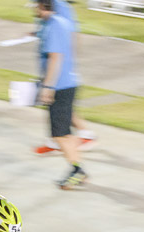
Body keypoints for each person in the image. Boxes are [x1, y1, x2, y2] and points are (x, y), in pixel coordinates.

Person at [35, 0, 87, 190]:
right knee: (63, 133)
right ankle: (76, 169)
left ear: (42, 6)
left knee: (60, 135)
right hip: (68, 83)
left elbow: (55, 58)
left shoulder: (53, 26)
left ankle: (77, 170)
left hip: (60, 86)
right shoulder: (61, 22)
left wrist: (48, 87)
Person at [35, 0, 97, 154]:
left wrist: (69, 62)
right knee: (54, 104)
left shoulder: (59, 5)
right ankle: (54, 139)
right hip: (53, 66)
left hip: (60, 70)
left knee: (59, 103)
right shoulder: (46, 5)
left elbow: (71, 33)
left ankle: (84, 135)